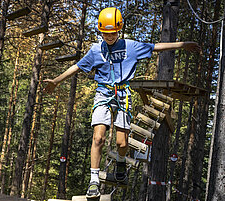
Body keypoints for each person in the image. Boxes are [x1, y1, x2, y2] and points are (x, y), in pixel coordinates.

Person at [43, 7, 200, 198]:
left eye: (113, 33)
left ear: (119, 30)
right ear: (100, 31)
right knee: (98, 137)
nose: (109, 37)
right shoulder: (95, 50)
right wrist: (56, 81)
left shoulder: (130, 46)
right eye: (105, 33)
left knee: (122, 142)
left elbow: (155, 46)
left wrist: (182, 45)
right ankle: (93, 181)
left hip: (123, 94)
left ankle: (121, 160)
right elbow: (76, 67)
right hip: (103, 93)